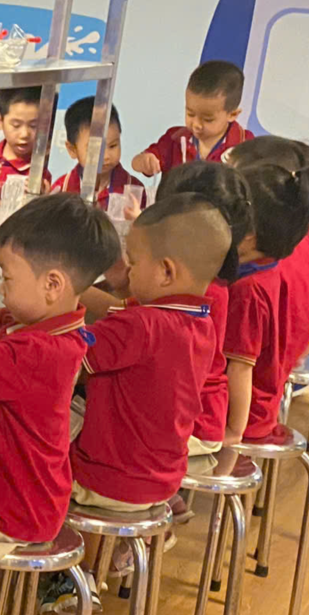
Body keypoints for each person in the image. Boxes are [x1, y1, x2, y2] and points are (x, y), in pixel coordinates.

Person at [0, 195, 119, 586]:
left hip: (10, 509)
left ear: (52, 284)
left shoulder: (44, 350)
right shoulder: (44, 323)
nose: (1, 286)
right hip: (0, 490)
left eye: (6, 277)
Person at [72, 196, 232, 521]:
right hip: (162, 479)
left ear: (166, 271)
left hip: (108, 480)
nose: (128, 271)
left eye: (133, 262)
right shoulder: (200, 321)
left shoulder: (141, 325)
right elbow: (119, 313)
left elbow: (69, 356)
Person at [220, 163, 309, 448]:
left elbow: (240, 368)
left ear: (249, 234)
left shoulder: (248, 290)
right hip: (260, 406)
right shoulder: (269, 269)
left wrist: (234, 430)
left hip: (241, 416)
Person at [154, 162, 253, 459]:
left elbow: (126, 314)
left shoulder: (196, 289)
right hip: (197, 417)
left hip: (191, 424)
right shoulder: (208, 280)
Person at [229, 136, 309, 375]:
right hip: (269, 388)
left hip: (238, 394)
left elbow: (238, 369)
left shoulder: (248, 282)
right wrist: (289, 363)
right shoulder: (306, 246)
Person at [131, 60, 248, 177]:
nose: (196, 124)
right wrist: (145, 161)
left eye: (207, 119)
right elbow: (136, 162)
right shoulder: (175, 138)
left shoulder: (245, 145)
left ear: (232, 115)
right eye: (190, 114)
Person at [53, 99, 148, 217]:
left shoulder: (133, 189)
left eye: (113, 146)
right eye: (96, 149)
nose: (106, 156)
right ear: (72, 150)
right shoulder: (61, 189)